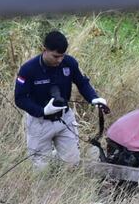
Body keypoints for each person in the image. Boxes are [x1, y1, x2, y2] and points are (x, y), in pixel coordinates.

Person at [14, 30, 108, 169]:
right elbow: (19, 98)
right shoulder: (28, 69)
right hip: (39, 122)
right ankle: (46, 159)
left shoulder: (69, 63)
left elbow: (82, 83)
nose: (59, 60)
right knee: (41, 169)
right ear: (44, 50)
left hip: (64, 119)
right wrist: (42, 111)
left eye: (62, 56)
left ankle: (54, 158)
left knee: (71, 164)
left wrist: (94, 99)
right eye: (55, 56)